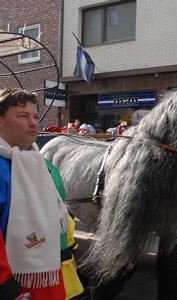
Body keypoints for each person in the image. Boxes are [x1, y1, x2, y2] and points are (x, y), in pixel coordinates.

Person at [0, 89, 82, 299]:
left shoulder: (41, 163)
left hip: (49, 275)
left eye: (35, 116)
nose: (34, 123)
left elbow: (60, 213)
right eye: (23, 116)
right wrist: (5, 285)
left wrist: (67, 250)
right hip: (14, 283)